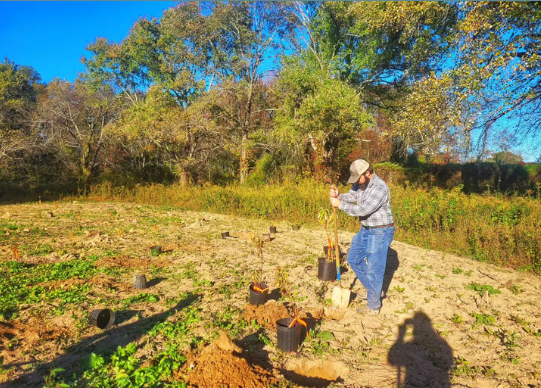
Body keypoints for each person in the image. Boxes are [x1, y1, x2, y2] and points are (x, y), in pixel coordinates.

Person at [330, 159, 394, 314]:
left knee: (374, 269)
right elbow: (351, 196)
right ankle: (374, 292)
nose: (356, 182)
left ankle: (373, 306)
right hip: (366, 229)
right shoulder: (360, 184)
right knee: (353, 258)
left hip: (380, 231)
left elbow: (363, 209)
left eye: (358, 178)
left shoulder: (380, 188)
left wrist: (340, 204)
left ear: (367, 172)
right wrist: (339, 195)